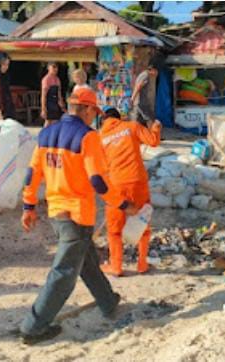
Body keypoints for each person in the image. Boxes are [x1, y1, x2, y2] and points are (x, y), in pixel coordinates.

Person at [19, 87, 138, 345]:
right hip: (77, 214)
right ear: (84, 109)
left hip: (56, 212)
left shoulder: (46, 133)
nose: (93, 117)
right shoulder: (88, 137)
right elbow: (98, 181)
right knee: (64, 273)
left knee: (87, 261)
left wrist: (28, 206)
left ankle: (107, 300)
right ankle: (33, 327)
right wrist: (122, 204)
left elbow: (32, 174)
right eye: (93, 111)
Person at [99, 106, 161, 277]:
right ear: (119, 119)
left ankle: (116, 266)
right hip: (137, 182)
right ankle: (142, 264)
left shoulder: (99, 138)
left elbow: (99, 168)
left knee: (114, 230)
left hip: (116, 185)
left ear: (103, 121)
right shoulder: (131, 127)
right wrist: (155, 127)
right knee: (142, 222)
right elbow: (153, 141)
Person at [130, 61, 158, 126]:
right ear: (153, 70)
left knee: (140, 121)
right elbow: (138, 87)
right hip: (141, 102)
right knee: (150, 119)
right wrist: (132, 99)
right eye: (156, 71)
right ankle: (152, 134)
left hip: (140, 102)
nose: (156, 74)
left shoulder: (143, 74)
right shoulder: (145, 76)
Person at [40, 62, 66, 127]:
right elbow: (44, 95)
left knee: (56, 121)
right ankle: (43, 135)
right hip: (49, 102)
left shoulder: (57, 79)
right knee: (48, 121)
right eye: (53, 67)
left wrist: (61, 104)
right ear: (49, 68)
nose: (55, 69)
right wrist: (43, 108)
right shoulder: (46, 79)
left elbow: (59, 93)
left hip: (55, 102)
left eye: (56, 67)